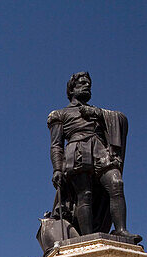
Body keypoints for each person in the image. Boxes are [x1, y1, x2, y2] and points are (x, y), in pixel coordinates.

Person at [48, 71, 139, 242]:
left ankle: (121, 230)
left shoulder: (97, 112)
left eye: (89, 84)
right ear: (72, 89)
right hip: (77, 151)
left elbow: (120, 120)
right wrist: (57, 169)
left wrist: (97, 113)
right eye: (82, 83)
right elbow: (56, 145)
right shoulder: (59, 114)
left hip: (100, 150)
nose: (87, 86)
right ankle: (88, 238)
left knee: (116, 183)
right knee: (85, 195)